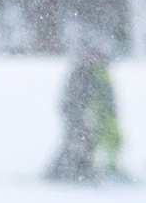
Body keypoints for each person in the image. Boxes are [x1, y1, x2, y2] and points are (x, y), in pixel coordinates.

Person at [45, 46, 121, 183]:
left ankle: (83, 169)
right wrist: (81, 112)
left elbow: (105, 96)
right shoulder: (83, 71)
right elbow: (75, 96)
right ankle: (66, 171)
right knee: (77, 142)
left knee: (88, 142)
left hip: (91, 114)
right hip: (80, 114)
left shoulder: (99, 72)